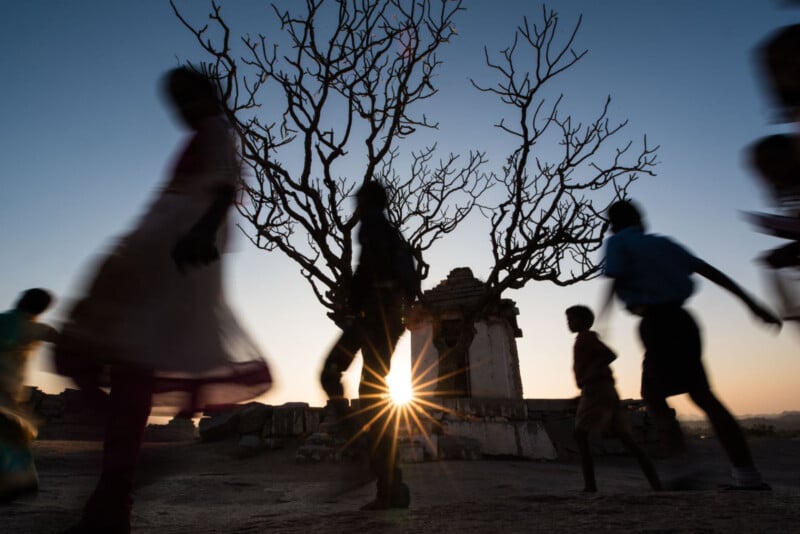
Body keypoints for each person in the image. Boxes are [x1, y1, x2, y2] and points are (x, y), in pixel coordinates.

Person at [55, 67, 272, 533]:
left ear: (203, 94)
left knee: (100, 359)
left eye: (185, 97)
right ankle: (112, 498)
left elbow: (225, 188)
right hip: (158, 252)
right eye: (174, 101)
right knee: (122, 371)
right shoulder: (207, 132)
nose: (180, 109)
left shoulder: (216, 129)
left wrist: (198, 232)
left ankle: (113, 498)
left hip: (166, 258)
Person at [600, 199, 781, 490]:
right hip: (684, 320)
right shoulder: (666, 244)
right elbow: (712, 273)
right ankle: (746, 472)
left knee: (653, 395)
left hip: (657, 321)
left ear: (614, 224)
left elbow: (614, 279)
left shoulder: (618, 242)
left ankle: (683, 464)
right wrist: (752, 304)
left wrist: (603, 320)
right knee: (702, 395)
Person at [319, 181, 417, 510]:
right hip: (389, 323)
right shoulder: (393, 235)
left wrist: (352, 305)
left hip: (371, 319)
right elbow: (406, 286)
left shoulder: (372, 225)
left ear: (366, 202)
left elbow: (367, 271)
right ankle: (392, 486)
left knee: (331, 375)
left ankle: (359, 448)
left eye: (358, 201)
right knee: (374, 396)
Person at [566, 305, 661, 493]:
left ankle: (590, 486)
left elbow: (609, 354)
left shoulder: (586, 337)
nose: (569, 323)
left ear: (584, 321)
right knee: (627, 439)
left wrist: (590, 376)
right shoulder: (585, 338)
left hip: (596, 390)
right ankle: (656, 483)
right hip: (604, 390)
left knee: (580, 434)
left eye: (572, 319)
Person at [0, 288, 57, 501]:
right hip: (7, 394)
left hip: (7, 395)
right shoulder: (34, 328)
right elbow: (59, 338)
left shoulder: (5, 320)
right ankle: (18, 483)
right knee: (14, 434)